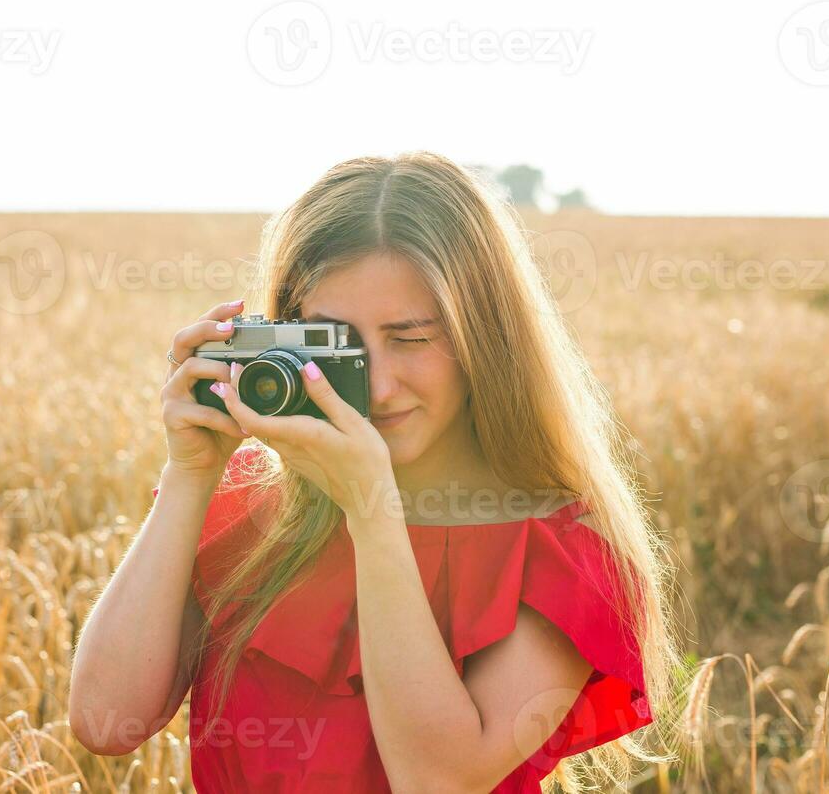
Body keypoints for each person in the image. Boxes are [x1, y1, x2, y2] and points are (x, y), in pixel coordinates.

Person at [70, 152, 679, 792]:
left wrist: (372, 511)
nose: (380, 387)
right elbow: (106, 724)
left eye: (412, 338)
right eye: (339, 346)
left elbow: (436, 781)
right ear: (284, 336)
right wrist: (191, 475)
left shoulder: (561, 552)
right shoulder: (243, 506)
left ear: (489, 338)